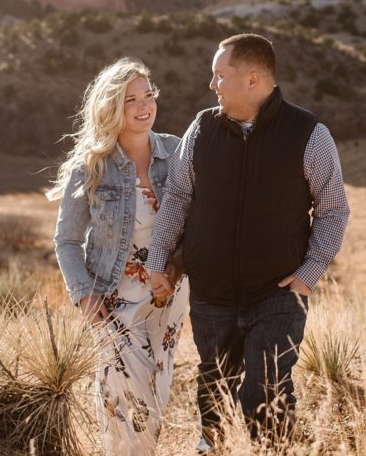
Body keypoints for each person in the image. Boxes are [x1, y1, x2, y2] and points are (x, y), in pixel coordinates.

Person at [147, 33, 350, 450]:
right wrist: (157, 259)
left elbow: (333, 211)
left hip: (276, 294)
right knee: (214, 387)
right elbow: (179, 197)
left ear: (253, 80)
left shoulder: (309, 134)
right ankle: (213, 445)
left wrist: (307, 276)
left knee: (266, 392)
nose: (212, 85)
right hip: (211, 295)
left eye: (220, 75)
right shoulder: (202, 128)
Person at [49, 57, 189, 456]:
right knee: (120, 395)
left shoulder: (177, 153)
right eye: (131, 100)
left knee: (155, 394)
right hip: (112, 298)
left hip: (167, 297)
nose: (144, 106)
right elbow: (67, 241)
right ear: (111, 106)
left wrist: (176, 269)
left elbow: (196, 225)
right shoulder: (91, 166)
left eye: (149, 96)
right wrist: (85, 297)